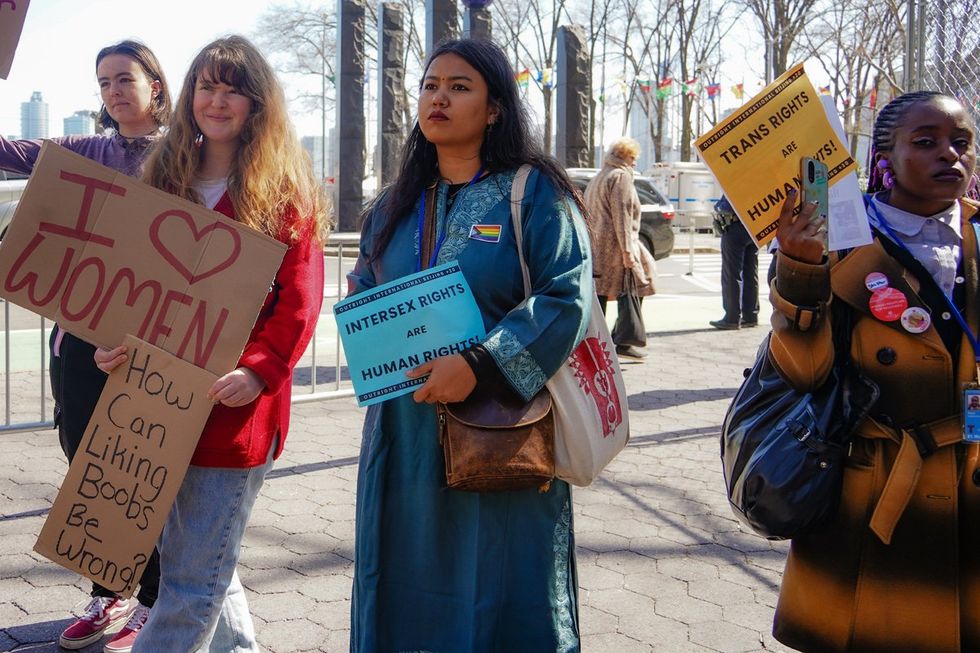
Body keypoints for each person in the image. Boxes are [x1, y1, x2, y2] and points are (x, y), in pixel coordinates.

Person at [347, 38, 591, 651]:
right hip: (403, 439)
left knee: (502, 588)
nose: (439, 97)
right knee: (397, 578)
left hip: (499, 432)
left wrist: (480, 364)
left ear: (494, 109)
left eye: (459, 87)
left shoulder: (534, 195)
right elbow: (361, 291)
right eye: (431, 85)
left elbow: (567, 298)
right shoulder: (391, 207)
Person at [94, 35, 326, 652]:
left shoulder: (284, 193)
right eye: (207, 85)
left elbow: (298, 304)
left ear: (257, 103)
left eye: (233, 89)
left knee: (190, 586)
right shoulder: (164, 176)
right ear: (190, 91)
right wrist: (112, 344)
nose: (217, 100)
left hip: (232, 414)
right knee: (206, 564)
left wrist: (260, 370)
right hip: (157, 405)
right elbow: (134, 286)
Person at [768, 91, 979, 651]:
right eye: (927, 142)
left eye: (962, 143)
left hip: (971, 480)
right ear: (883, 156)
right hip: (873, 489)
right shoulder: (832, 239)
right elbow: (803, 372)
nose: (950, 156)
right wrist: (799, 270)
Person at [0, 40, 171, 652]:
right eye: (103, 83)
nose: (113, 91)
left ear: (155, 82)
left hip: (155, 343)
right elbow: (12, 152)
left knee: (142, 466)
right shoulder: (85, 151)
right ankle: (110, 591)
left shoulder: (188, 154)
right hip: (78, 335)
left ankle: (156, 601)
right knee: (86, 462)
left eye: (124, 78)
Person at [584, 137, 656, 359]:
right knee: (640, 284)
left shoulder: (600, 175)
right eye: (632, 158)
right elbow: (622, 215)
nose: (634, 163)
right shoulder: (620, 177)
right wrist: (627, 253)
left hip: (598, 247)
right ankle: (623, 339)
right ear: (623, 156)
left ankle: (597, 346)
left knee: (600, 296)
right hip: (615, 248)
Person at [710, 195, 759, 329]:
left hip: (735, 225)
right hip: (753, 226)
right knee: (750, 272)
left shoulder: (735, 181)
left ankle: (731, 317)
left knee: (731, 274)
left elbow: (725, 205)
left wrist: (718, 206)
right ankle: (751, 315)